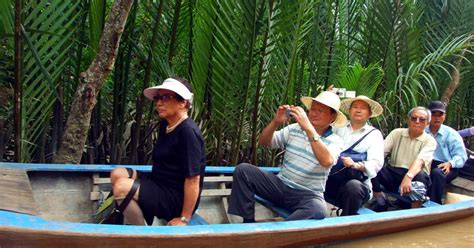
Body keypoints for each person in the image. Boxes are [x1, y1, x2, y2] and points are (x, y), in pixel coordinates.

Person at [228, 91, 345, 222]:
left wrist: (308, 128)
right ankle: (248, 223)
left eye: (320, 111)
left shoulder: (336, 141)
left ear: (332, 117)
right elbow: (264, 142)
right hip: (280, 185)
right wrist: (275, 122)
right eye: (312, 109)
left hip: (306, 195)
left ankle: (282, 232)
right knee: (243, 170)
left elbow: (326, 161)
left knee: (317, 209)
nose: (313, 113)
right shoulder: (294, 129)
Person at [109, 77, 206, 226]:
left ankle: (144, 236)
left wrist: (184, 218)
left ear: (183, 103)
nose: (159, 103)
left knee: (122, 187)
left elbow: (193, 180)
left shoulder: (188, 132)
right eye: (158, 98)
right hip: (158, 181)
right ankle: (129, 217)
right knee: (117, 173)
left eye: (166, 97)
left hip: (175, 196)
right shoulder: (165, 125)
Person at [324, 95, 384, 216]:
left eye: (363, 108)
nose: (358, 110)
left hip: (356, 184)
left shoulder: (374, 135)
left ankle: (345, 224)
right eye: (355, 107)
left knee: (353, 187)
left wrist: (357, 165)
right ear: (349, 111)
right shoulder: (337, 128)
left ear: (369, 113)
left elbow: (377, 162)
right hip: (331, 179)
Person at [370, 107, 437, 211]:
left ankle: (415, 209)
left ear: (427, 123)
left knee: (421, 176)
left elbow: (420, 161)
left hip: (414, 178)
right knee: (372, 166)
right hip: (394, 174)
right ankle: (379, 198)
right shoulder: (397, 133)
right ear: (408, 120)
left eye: (422, 119)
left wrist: (408, 177)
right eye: (414, 118)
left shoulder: (430, 140)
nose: (417, 122)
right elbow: (380, 152)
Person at [425, 101, 467, 204]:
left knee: (437, 173)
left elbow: (461, 156)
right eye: (433, 114)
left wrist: (450, 163)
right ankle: (406, 201)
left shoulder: (451, 134)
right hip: (425, 162)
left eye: (440, 115)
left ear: (444, 116)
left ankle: (434, 203)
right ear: (428, 115)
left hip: (446, 165)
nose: (437, 118)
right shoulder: (422, 131)